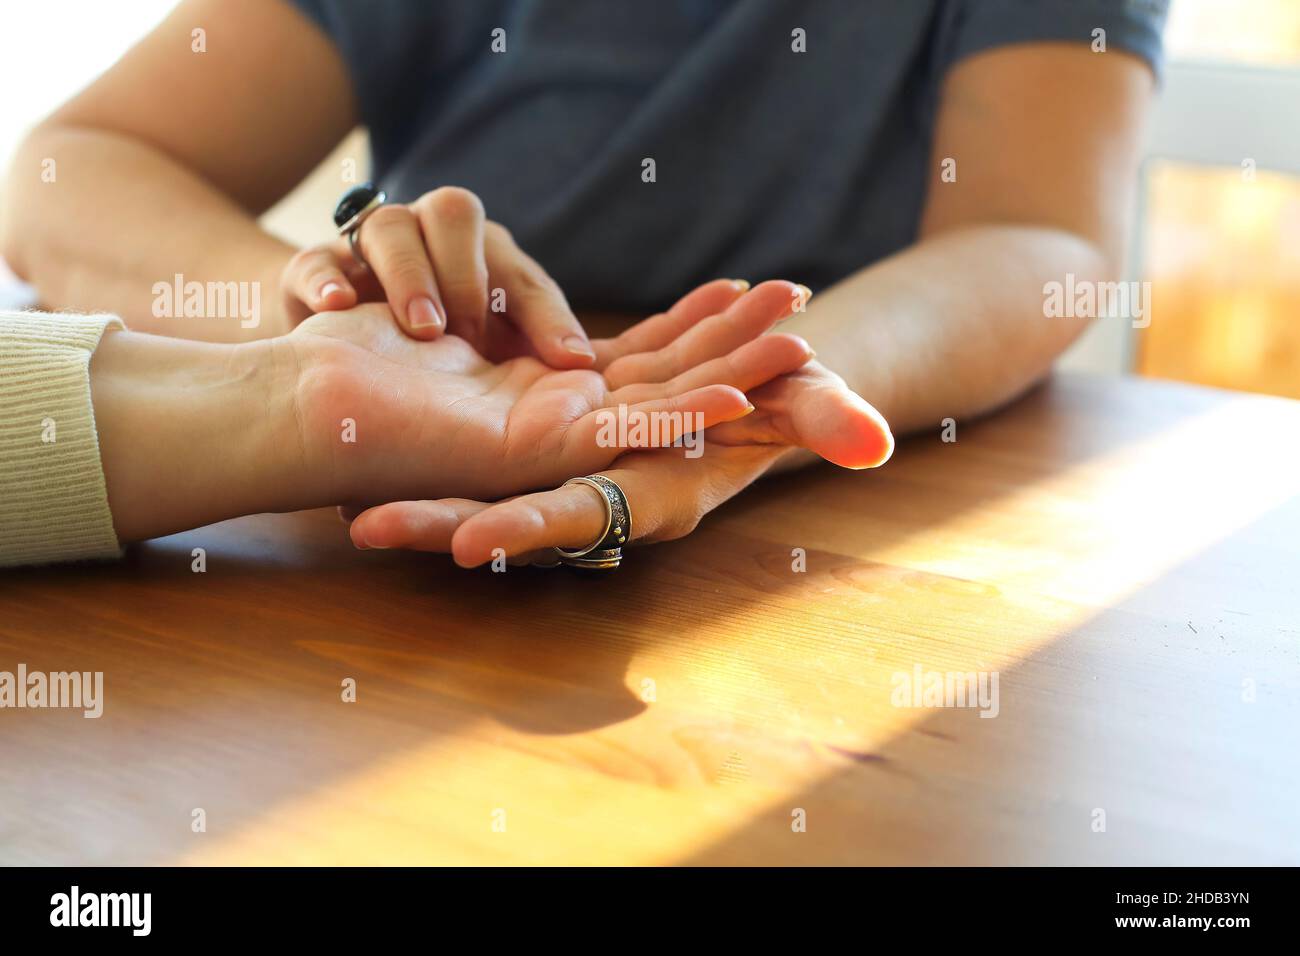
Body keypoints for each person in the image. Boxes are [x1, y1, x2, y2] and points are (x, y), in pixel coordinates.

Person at [0, 0, 1165, 564]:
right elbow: (67, 172)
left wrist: (765, 395)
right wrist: (317, 307)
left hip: (846, 526)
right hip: (381, 517)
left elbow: (1038, 235)